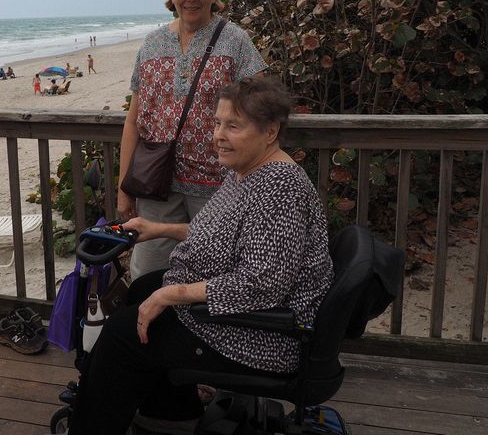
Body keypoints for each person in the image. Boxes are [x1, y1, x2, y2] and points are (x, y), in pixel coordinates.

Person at [68, 77, 334, 434]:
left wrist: (170, 294)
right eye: (217, 123)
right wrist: (159, 228)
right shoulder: (246, 170)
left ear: (270, 132)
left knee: (120, 336)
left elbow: (262, 283)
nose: (218, 135)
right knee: (140, 289)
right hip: (239, 313)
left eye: (233, 126)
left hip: (263, 336)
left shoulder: (279, 188)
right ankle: (170, 413)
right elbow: (226, 235)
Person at [119, 0, 267, 280]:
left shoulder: (236, 40)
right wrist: (123, 188)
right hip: (158, 183)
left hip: (219, 185)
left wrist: (250, 174)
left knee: (214, 270)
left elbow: (261, 110)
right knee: (147, 273)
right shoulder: (152, 43)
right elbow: (133, 120)